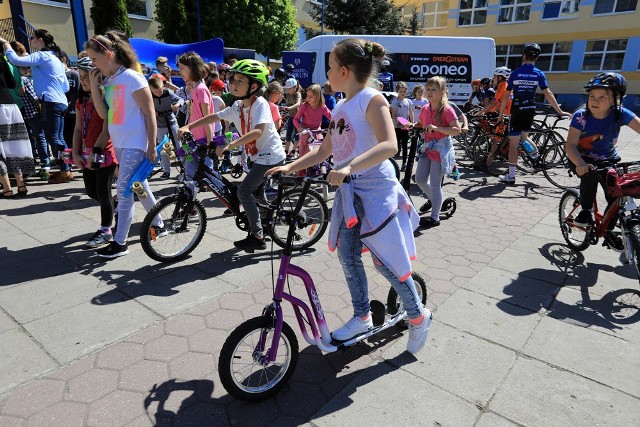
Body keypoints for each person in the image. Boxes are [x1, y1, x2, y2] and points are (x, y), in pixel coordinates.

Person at [266, 38, 431, 354]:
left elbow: (389, 145)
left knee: (386, 263)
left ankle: (418, 315)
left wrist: (348, 167)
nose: (327, 73)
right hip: (350, 193)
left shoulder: (372, 100)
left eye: (329, 67)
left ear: (343, 70)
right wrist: (289, 166)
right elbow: (325, 150)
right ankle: (362, 315)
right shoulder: (341, 106)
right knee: (348, 253)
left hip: (375, 192)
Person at [178, 59, 286, 252]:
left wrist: (231, 145)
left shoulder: (259, 104)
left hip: (270, 157)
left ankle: (258, 235)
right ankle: (268, 219)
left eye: (239, 81)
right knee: (256, 193)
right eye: (232, 79)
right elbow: (214, 116)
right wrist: (189, 126)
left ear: (253, 86)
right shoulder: (238, 106)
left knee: (243, 191)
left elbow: (258, 132)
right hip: (257, 157)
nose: (233, 84)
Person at [85, 31, 165, 258]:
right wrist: (94, 86)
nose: (93, 64)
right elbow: (105, 116)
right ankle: (159, 222)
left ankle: (120, 243)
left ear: (108, 54)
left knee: (124, 191)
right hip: (120, 143)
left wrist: (151, 145)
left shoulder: (133, 78)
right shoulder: (109, 81)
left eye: (94, 59)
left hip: (136, 144)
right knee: (140, 187)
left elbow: (150, 113)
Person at [565, 72, 640, 246]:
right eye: (591, 96)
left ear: (616, 99)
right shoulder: (581, 116)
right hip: (580, 157)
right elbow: (570, 146)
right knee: (590, 175)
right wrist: (581, 164)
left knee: (616, 194)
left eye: (602, 97)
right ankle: (585, 210)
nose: (594, 101)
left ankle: (608, 231)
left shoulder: (620, 114)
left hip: (608, 159)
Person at [2, 29, 71, 183]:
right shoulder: (56, 58)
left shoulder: (42, 55)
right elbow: (66, 86)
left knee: (54, 138)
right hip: (61, 101)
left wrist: (6, 44)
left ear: (40, 40)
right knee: (59, 138)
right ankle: (66, 169)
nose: (30, 40)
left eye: (31, 37)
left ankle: (65, 170)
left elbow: (17, 61)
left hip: (50, 101)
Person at [497, 43, 570, 183]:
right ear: (536, 58)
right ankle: (537, 158)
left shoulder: (515, 73)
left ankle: (511, 176)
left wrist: (501, 116)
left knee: (513, 145)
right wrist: (560, 111)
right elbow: (547, 93)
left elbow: (506, 97)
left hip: (517, 110)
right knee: (524, 138)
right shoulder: (538, 73)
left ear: (524, 56)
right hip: (530, 110)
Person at [72, 57, 118, 247]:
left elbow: (107, 127)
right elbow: (77, 128)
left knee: (103, 191)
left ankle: (105, 229)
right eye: (81, 78)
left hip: (103, 151)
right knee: (91, 191)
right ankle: (117, 207)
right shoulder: (80, 101)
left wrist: (95, 150)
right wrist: (75, 152)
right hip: (87, 151)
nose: (83, 82)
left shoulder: (105, 97)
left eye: (86, 77)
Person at [412, 76, 461, 229]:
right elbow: (421, 123)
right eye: (428, 89)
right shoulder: (426, 108)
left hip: (441, 149)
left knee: (434, 184)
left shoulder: (447, 110)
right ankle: (439, 201)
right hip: (427, 147)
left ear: (442, 92)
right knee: (419, 179)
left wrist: (438, 128)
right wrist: (411, 125)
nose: (430, 92)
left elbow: (457, 130)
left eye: (434, 89)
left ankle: (435, 217)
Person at [0, 54, 34, 198]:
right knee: (15, 144)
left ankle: (7, 188)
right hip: (9, 104)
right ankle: (21, 185)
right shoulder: (1, 57)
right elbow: (12, 83)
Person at [177, 51, 214, 179]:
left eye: (182, 68)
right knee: (189, 170)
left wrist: (210, 143)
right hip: (193, 139)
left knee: (208, 176)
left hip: (203, 141)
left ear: (192, 69)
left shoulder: (201, 89)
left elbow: (208, 118)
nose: (180, 72)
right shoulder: (194, 89)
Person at [149, 74, 183, 178]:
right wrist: (153, 111)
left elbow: (180, 100)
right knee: (164, 148)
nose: (158, 94)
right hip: (160, 125)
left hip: (171, 122)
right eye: (155, 92)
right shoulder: (149, 96)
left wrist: (177, 105)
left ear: (163, 87)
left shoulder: (168, 93)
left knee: (178, 145)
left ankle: (184, 168)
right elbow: (144, 107)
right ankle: (166, 171)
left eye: (160, 91)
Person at [293, 83, 331, 165]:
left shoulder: (322, 107)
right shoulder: (304, 106)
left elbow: (331, 117)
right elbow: (295, 119)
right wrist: (299, 127)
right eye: (307, 96)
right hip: (306, 133)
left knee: (319, 155)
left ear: (317, 97)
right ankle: (301, 174)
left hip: (317, 132)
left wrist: (335, 124)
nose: (308, 98)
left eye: (311, 96)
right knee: (303, 157)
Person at [57, 51, 80, 152]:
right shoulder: (57, 76)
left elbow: (79, 91)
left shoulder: (74, 74)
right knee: (65, 136)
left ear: (63, 59)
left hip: (74, 111)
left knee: (76, 135)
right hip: (64, 111)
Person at [390, 81, 414, 172]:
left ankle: (404, 163)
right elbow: (393, 115)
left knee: (405, 145)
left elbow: (411, 113)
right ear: (397, 91)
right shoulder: (395, 102)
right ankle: (393, 164)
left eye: (404, 91)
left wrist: (412, 123)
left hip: (406, 127)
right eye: (401, 91)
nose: (403, 93)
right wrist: (401, 122)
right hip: (397, 127)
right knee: (396, 146)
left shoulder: (408, 101)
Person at [283, 77, 302, 159]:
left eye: (289, 88)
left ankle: (294, 151)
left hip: (297, 118)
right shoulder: (287, 94)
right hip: (290, 117)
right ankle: (286, 151)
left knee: (297, 135)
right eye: (287, 88)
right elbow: (286, 104)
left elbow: (298, 104)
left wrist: (289, 108)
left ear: (295, 87)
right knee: (288, 134)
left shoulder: (297, 94)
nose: (288, 90)